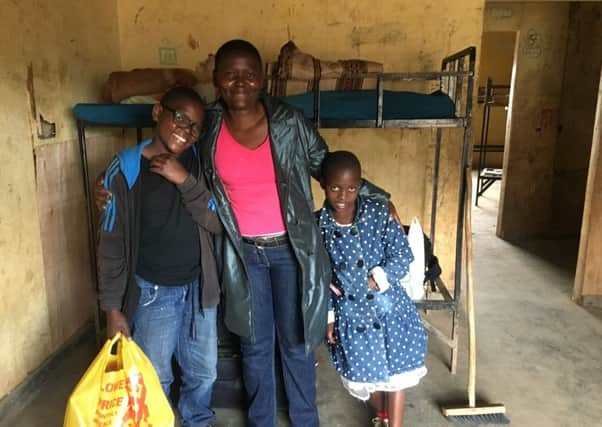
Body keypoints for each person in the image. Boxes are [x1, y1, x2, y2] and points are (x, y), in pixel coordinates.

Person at [200, 40, 392, 427]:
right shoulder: (208, 127)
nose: (240, 82)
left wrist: (379, 198)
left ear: (262, 79)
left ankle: (306, 420)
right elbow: (180, 167)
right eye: (231, 73)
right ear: (217, 78)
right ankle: (261, 421)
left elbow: (327, 165)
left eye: (249, 73)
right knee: (254, 346)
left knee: (298, 341)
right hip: (242, 255)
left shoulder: (288, 122)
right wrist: (120, 179)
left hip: (291, 251)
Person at [96, 86, 222, 427]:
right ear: (157, 112)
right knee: (155, 378)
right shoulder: (125, 169)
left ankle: (199, 420)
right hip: (153, 293)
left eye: (195, 126)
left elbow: (215, 221)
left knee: (204, 372)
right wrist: (112, 310)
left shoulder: (200, 164)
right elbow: (111, 245)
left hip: (198, 290)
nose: (186, 130)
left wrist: (183, 179)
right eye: (179, 117)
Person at [318, 151, 428, 427]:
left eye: (351, 189)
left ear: (360, 186)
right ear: (323, 185)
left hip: (389, 309)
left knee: (397, 371)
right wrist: (329, 317)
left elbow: (403, 255)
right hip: (352, 315)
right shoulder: (318, 225)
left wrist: (376, 279)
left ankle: (396, 425)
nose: (343, 196)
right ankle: (381, 415)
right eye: (335, 188)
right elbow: (320, 276)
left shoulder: (379, 213)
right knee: (368, 370)